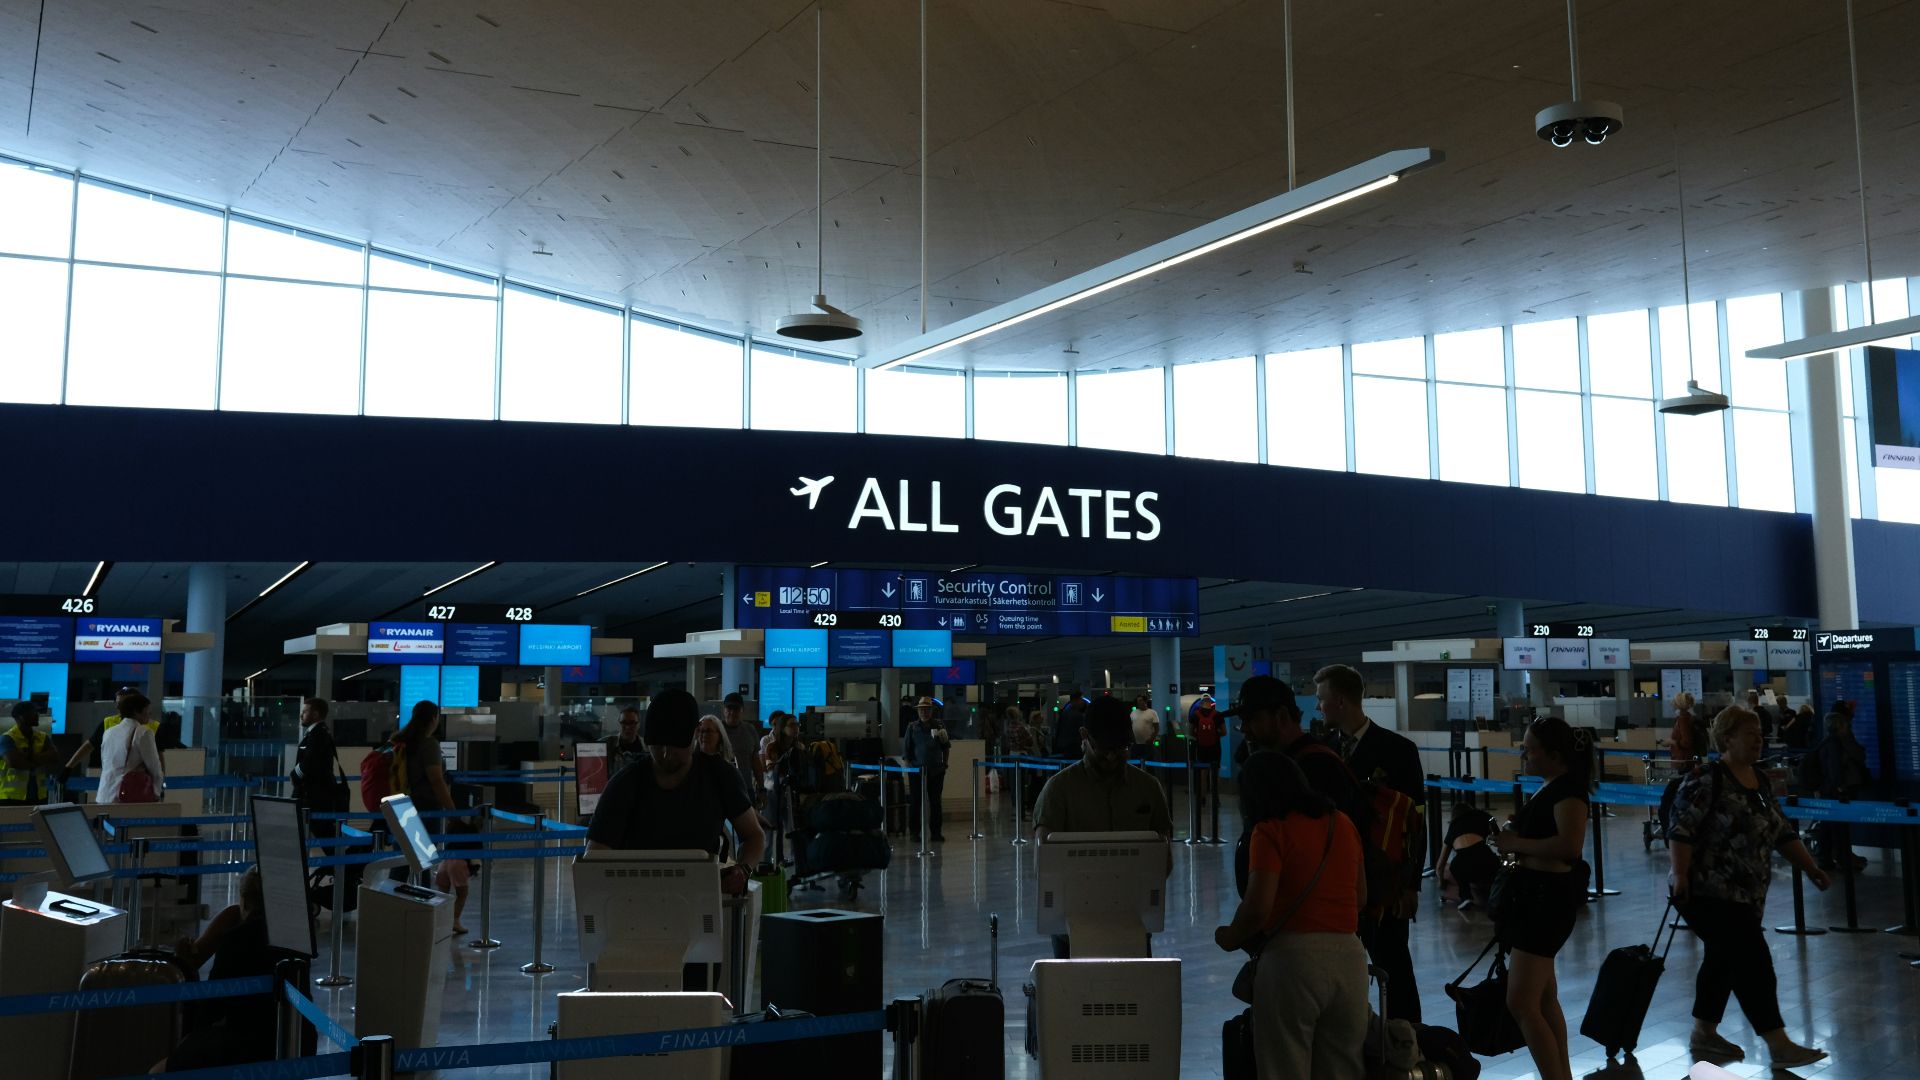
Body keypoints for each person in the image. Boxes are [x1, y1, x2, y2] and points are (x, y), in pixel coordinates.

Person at [1670, 706, 1831, 1068]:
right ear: (1727, 739)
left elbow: (1782, 831)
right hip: (1708, 890)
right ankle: (1778, 1044)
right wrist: (1679, 873)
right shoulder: (1706, 779)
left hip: (1746, 894)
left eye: (1759, 735)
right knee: (1752, 960)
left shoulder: (1759, 782)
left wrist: (1811, 868)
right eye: (1750, 735)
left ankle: (1704, 1034)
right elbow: (1681, 829)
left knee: (1722, 960)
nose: (1759, 741)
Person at [1216, 751, 1368, 1080]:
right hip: (1350, 960)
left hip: (1292, 964)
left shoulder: (1270, 831)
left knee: (1285, 1067)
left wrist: (1228, 937)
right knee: (1343, 1069)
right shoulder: (1341, 823)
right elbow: (1360, 897)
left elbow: (1258, 908)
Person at [1316, 663, 1424, 1021]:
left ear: (1341, 701)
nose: (1319, 707)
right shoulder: (1321, 753)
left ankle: (1407, 1037)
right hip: (1334, 878)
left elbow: (1415, 821)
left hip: (1383, 880)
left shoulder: (1398, 751)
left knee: (1393, 963)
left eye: (1322, 699)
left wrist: (1411, 886)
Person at [585, 689, 765, 896]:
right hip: (635, 900)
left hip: (701, 897)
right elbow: (595, 856)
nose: (665, 753)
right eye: (658, 745)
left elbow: (753, 836)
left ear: (694, 735)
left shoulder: (719, 775)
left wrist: (742, 870)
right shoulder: (625, 783)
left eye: (675, 745)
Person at [1488, 717, 1590, 1080]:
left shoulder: (1568, 792)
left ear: (1555, 755)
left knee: (1521, 1002)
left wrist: (1518, 843)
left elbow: (1569, 846)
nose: (1524, 755)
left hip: (1546, 903)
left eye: (1530, 749)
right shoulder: (1551, 786)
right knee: (1543, 998)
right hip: (1538, 899)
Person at [1033, 696, 1173, 957]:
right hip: (1072, 931)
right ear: (1084, 735)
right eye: (1104, 748)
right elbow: (1044, 863)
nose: (1111, 757)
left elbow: (1164, 859)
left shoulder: (1148, 789)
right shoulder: (1059, 790)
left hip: (1134, 924)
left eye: (1120, 748)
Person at [158, 867, 280, 1070]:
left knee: (157, 1070)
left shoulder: (238, 936)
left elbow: (212, 1005)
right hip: (286, 1036)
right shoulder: (287, 936)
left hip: (247, 1044)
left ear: (245, 900)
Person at [1811, 703, 1871, 872]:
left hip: (1830, 789)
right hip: (1839, 790)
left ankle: (1826, 856)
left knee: (1829, 824)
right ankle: (1841, 857)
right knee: (1838, 826)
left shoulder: (1827, 741)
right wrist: (1840, 787)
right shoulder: (1838, 742)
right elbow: (1840, 765)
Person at [64, 686, 149, 774]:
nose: (117, 707)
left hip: (139, 777)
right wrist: (69, 767)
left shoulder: (151, 727)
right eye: (117, 703)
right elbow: (89, 745)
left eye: (121, 704)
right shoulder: (108, 722)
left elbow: (156, 756)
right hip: (109, 773)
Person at [98, 691, 164, 803]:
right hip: (127, 795)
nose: (150, 713)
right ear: (137, 712)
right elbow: (154, 767)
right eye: (147, 710)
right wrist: (157, 792)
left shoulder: (109, 732)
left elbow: (105, 763)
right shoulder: (143, 732)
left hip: (104, 794)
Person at [394, 700, 456, 814]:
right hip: (426, 809)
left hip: (402, 806)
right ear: (433, 719)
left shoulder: (402, 740)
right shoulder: (429, 744)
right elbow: (436, 780)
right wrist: (453, 812)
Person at [290, 698, 340, 837]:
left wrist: (295, 775)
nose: (301, 715)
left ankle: (350, 858)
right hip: (315, 794)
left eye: (305, 712)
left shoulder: (317, 734)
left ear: (316, 714)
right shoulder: (318, 733)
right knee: (323, 833)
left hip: (315, 796)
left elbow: (309, 761)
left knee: (323, 833)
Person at [1436, 801, 1499, 910]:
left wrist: (1441, 882)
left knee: (1454, 865)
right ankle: (1494, 892)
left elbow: (1440, 866)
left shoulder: (1453, 827)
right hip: (1486, 858)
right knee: (1491, 869)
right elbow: (1497, 835)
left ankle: (1466, 898)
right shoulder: (1481, 816)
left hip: (1464, 864)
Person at [904, 696, 950, 842]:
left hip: (936, 771)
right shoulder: (912, 727)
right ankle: (914, 833)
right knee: (915, 802)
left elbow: (946, 747)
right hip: (916, 772)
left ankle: (936, 833)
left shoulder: (939, 726)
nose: (924, 712)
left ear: (931, 711)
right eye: (922, 710)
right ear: (918, 711)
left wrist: (945, 764)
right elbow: (907, 751)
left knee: (935, 802)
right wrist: (909, 768)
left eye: (927, 709)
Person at [0, 701, 61, 806]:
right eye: (33, 712)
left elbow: (55, 757)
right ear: (21, 717)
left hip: (37, 796)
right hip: (10, 798)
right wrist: (40, 760)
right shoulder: (7, 738)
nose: (37, 715)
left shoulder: (42, 737)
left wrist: (28, 756)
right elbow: (14, 762)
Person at [721, 692, 765, 810]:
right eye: (729, 708)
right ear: (724, 710)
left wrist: (761, 788)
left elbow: (755, 761)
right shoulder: (716, 730)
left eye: (736, 709)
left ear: (742, 711)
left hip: (746, 788)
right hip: (720, 789)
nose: (732, 712)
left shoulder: (750, 730)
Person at [1190, 693, 1222, 810]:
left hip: (1201, 748)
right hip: (1215, 748)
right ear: (1210, 702)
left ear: (1201, 702)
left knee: (1203, 774)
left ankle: (1202, 797)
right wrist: (1216, 733)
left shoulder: (1195, 715)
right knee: (1215, 774)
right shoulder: (1217, 715)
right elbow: (1224, 732)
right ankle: (1216, 798)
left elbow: (1191, 733)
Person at [606, 706, 646, 772]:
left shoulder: (647, 747)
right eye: (624, 722)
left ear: (639, 725)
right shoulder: (607, 744)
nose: (627, 727)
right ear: (619, 724)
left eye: (632, 723)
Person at [1668, 691, 1699, 763]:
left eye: (1675, 701)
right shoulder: (1687, 717)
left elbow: (1686, 742)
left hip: (1683, 760)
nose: (1672, 703)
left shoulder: (1683, 720)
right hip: (1685, 758)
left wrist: (1671, 742)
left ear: (1679, 704)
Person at [1129, 694, 1159, 758]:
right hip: (1136, 744)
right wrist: (1132, 738)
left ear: (1145, 701)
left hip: (1148, 744)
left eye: (1140, 700)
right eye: (1138, 701)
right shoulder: (1133, 713)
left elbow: (1157, 728)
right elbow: (1130, 727)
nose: (1139, 702)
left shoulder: (1152, 712)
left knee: (1150, 763)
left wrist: (1151, 739)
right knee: (1136, 764)